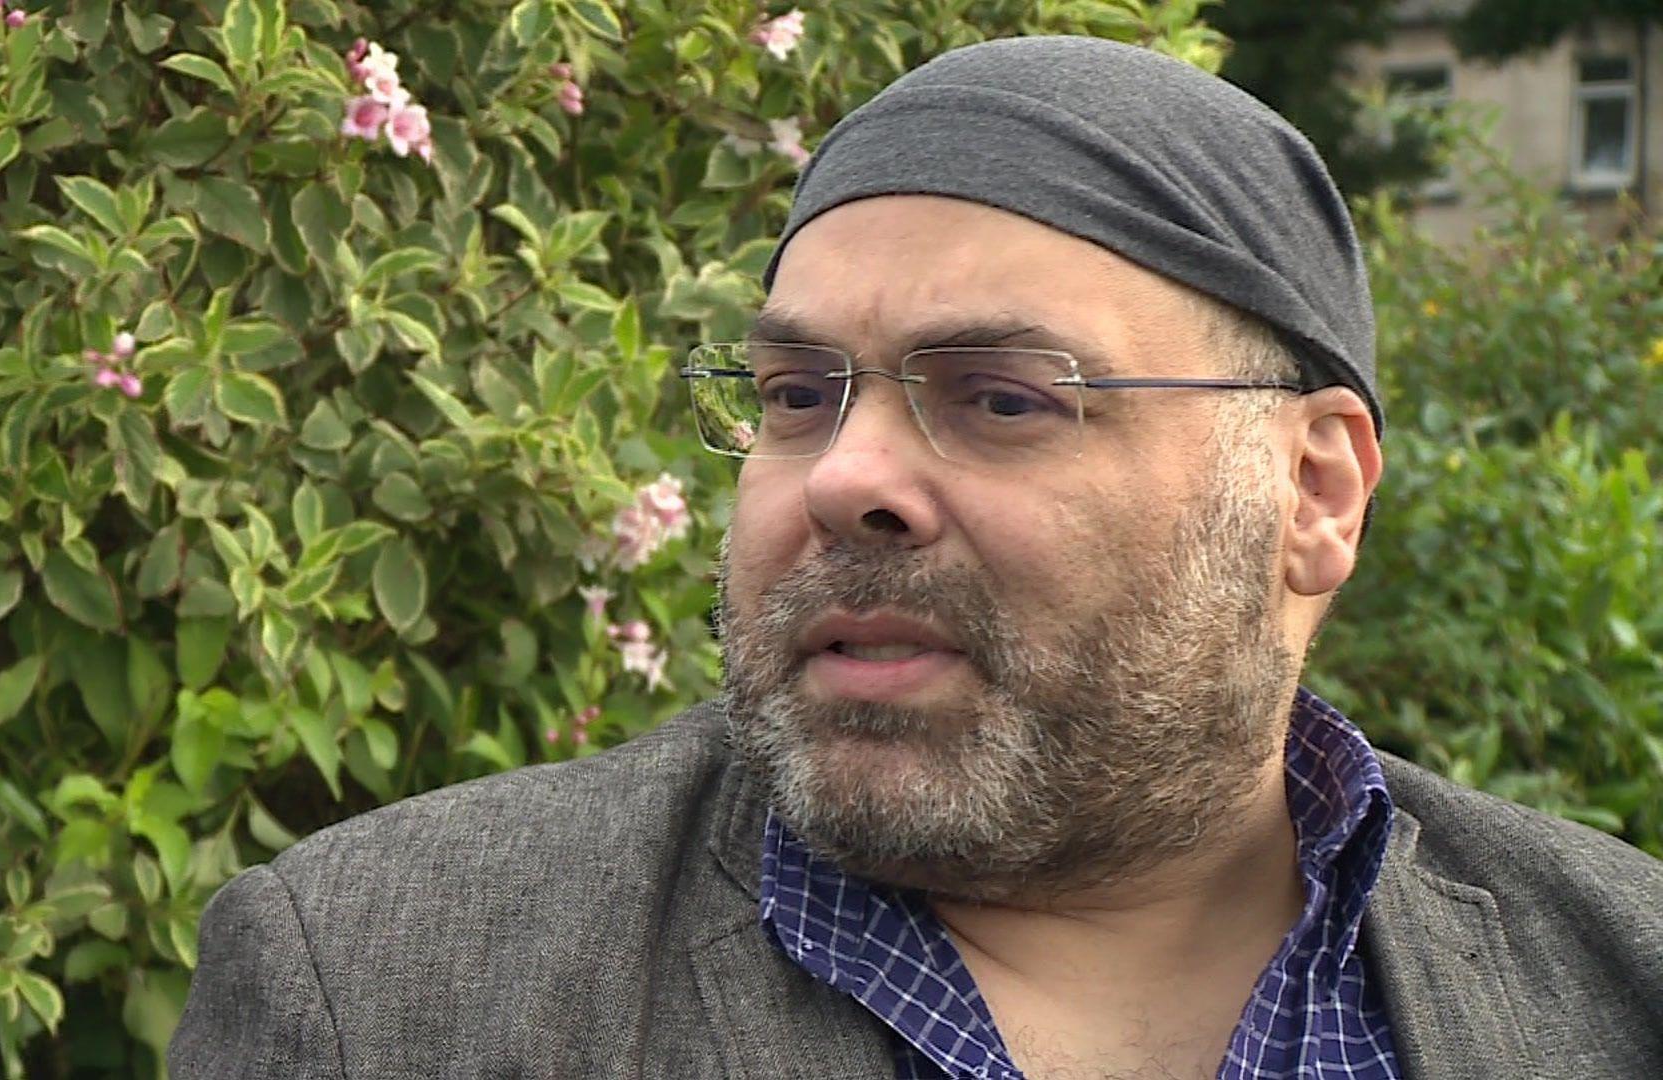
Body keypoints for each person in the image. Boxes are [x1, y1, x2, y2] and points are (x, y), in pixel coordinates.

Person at [168, 36, 1663, 1080]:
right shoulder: (382, 991)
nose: (845, 478)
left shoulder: (1619, 986)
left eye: (1005, 398)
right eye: (795, 397)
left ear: (1314, 490)